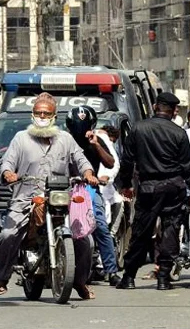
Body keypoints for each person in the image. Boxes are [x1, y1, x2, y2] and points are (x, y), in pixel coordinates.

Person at [0, 93, 99, 299]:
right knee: (8, 235)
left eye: (46, 113)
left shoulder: (66, 139)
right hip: (26, 199)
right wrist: (8, 173)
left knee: (86, 241)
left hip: (60, 199)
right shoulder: (20, 138)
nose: (42, 116)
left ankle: (79, 281)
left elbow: (81, 160)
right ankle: (1, 277)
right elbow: (7, 163)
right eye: (38, 112)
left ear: (54, 116)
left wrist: (88, 174)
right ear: (32, 115)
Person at [116, 92, 190, 291]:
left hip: (148, 187)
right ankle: (163, 276)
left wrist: (125, 184)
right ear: (173, 111)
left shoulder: (138, 129)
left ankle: (128, 276)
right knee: (171, 230)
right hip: (173, 187)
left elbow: (127, 161)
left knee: (141, 231)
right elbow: (187, 166)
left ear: (155, 107)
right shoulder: (179, 133)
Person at [66, 106, 121, 287]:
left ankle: (111, 270)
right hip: (64, 189)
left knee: (100, 227)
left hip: (89, 190)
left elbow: (110, 163)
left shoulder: (97, 140)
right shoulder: (62, 140)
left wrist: (96, 144)